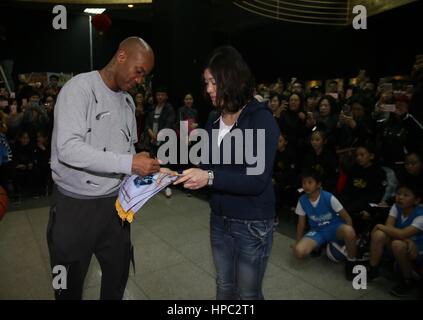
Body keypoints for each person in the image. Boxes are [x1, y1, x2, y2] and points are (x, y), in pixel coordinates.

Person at [49, 37, 160, 300]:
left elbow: (126, 152)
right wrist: (129, 162)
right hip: (74, 207)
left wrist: (143, 167)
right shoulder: (79, 89)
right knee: (68, 284)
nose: (140, 81)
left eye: (145, 76)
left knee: (117, 275)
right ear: (121, 56)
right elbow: (68, 149)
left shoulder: (128, 103)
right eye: (139, 71)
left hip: (115, 208)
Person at [175, 46, 280, 299]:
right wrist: (172, 171)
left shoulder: (261, 119)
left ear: (231, 79)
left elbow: (256, 180)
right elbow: (211, 167)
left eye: (213, 82)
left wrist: (208, 177)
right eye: (206, 83)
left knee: (248, 294)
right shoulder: (213, 119)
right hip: (220, 219)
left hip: (252, 222)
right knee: (224, 286)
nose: (208, 89)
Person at [293, 170, 358, 280]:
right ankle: (321, 245)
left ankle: (351, 262)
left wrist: (349, 241)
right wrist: (297, 242)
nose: (306, 186)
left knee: (349, 231)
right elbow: (301, 224)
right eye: (304, 183)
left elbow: (347, 218)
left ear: (318, 184)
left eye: (310, 182)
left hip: (335, 228)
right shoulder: (302, 200)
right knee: (299, 252)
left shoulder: (329, 197)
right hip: (317, 231)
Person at [368, 183, 423, 297]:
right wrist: (407, 240)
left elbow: (401, 233)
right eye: (398, 194)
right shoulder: (396, 207)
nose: (400, 197)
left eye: (406, 195)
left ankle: (408, 280)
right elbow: (389, 227)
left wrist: (379, 225)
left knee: (397, 243)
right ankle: (373, 269)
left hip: (416, 251)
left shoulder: (420, 215)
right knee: (379, 235)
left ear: (417, 200)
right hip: (401, 242)